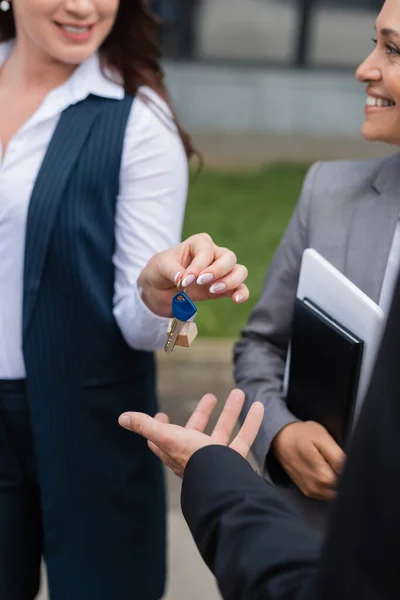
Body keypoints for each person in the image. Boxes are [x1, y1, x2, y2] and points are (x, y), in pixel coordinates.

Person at [0, 1, 249, 599]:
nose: (84, 7)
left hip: (90, 425)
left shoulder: (139, 119)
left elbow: (142, 328)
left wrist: (167, 299)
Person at [120, 259, 400, 599]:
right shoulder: (329, 202)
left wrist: (212, 470)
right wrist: (280, 430)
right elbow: (261, 342)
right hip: (300, 511)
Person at [234, 0, 400, 532]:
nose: (365, 68)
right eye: (374, 43)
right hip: (320, 547)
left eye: (393, 50)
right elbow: (261, 346)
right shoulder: (328, 194)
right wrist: (280, 433)